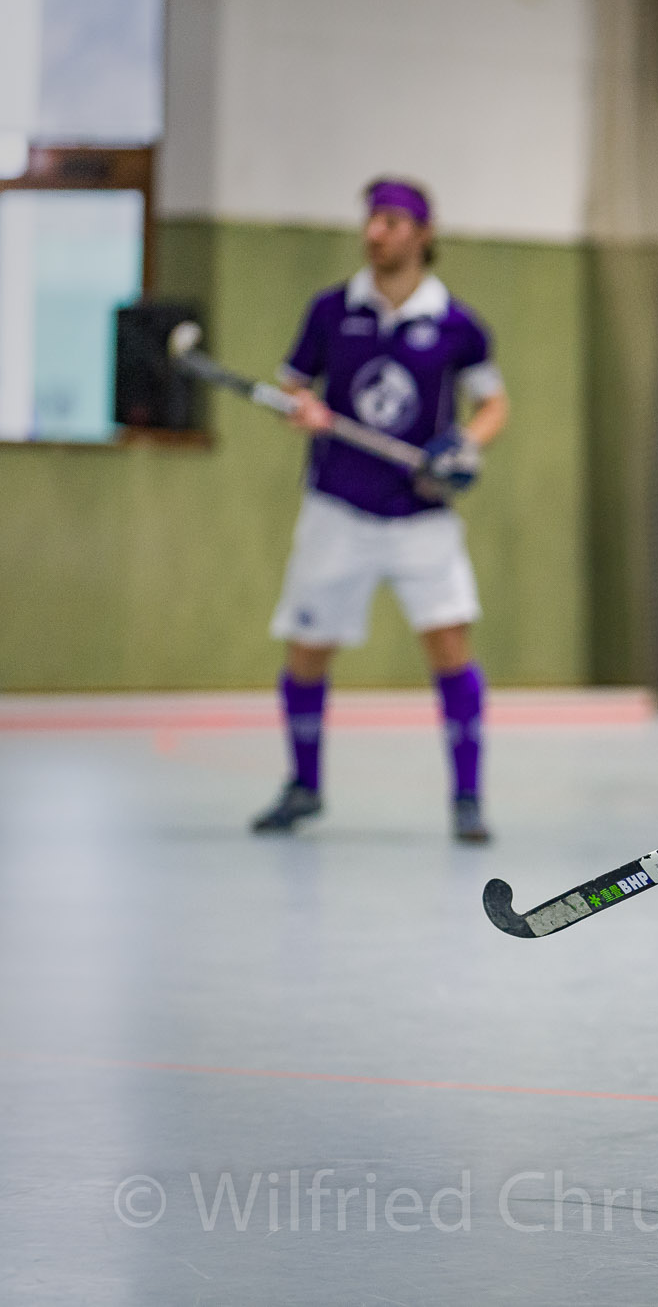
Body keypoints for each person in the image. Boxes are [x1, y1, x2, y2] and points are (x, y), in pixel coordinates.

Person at [249, 177, 508, 844]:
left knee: (450, 646)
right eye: (371, 220)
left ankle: (468, 797)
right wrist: (300, 407)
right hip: (336, 508)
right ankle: (303, 786)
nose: (376, 233)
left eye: (391, 222)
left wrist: (463, 443)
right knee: (308, 647)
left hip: (422, 515)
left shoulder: (457, 325)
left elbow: (493, 404)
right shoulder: (330, 311)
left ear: (423, 233)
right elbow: (291, 386)